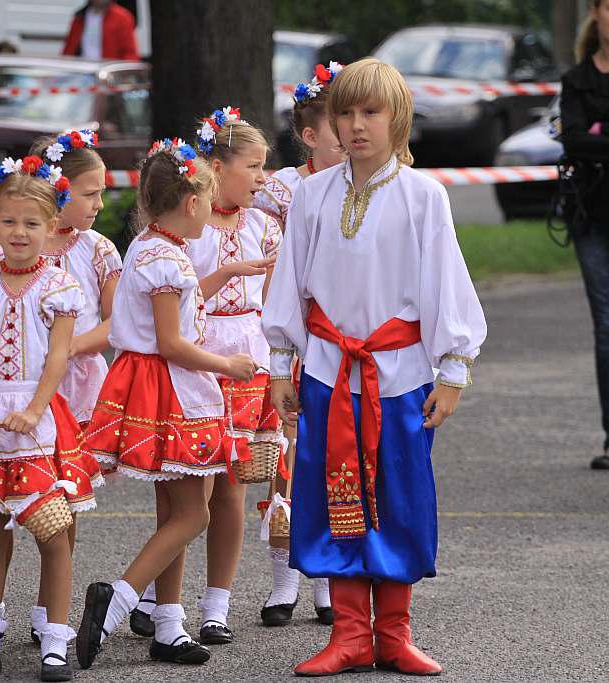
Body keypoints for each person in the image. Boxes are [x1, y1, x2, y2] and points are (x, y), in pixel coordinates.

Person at [262, 58, 487, 676]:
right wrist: (282, 363)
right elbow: (292, 284)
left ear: (398, 119)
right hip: (329, 372)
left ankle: (393, 633)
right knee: (336, 495)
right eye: (347, 113)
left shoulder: (423, 196)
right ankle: (350, 635)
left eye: (371, 112)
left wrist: (452, 370)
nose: (357, 125)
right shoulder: (310, 195)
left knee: (396, 497)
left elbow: (445, 282)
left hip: (399, 373)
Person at [75, 139, 257, 670]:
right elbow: (172, 342)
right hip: (172, 388)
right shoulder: (166, 257)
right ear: (192, 202)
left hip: (161, 384)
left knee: (176, 508)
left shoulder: (149, 247)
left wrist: (218, 279)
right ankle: (119, 599)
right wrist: (229, 366)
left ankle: (168, 622)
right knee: (193, 512)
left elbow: (172, 312)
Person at [0, 130, 120, 648]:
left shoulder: (75, 269)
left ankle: (52, 624)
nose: (19, 232)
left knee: (56, 515)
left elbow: (86, 340)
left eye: (31, 223)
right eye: (9, 222)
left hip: (57, 400)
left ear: (49, 221)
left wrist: (45, 389)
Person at [127, 108, 276, 646]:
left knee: (230, 488)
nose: (263, 178)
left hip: (248, 356)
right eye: (253, 166)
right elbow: (185, 305)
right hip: (201, 355)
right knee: (182, 490)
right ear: (216, 167)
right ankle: (160, 602)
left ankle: (216, 603)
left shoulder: (262, 225)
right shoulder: (189, 229)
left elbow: (277, 298)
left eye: (265, 168)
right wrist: (229, 273)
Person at [253, 63, 348, 630]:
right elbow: (265, 263)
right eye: (337, 132)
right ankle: (284, 578)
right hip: (295, 333)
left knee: (336, 453)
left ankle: (330, 582)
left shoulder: (364, 184)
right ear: (311, 136)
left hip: (343, 336)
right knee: (284, 456)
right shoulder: (283, 190)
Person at [561, 0, 609, 470]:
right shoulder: (577, 80)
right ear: (596, 13)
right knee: (606, 326)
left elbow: (589, 139)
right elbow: (574, 140)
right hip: (591, 216)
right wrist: (591, 137)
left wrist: (599, 135)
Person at [62, 0, 139, 61]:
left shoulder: (122, 17)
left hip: (108, 73)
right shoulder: (80, 17)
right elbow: (69, 48)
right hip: (82, 70)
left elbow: (129, 53)